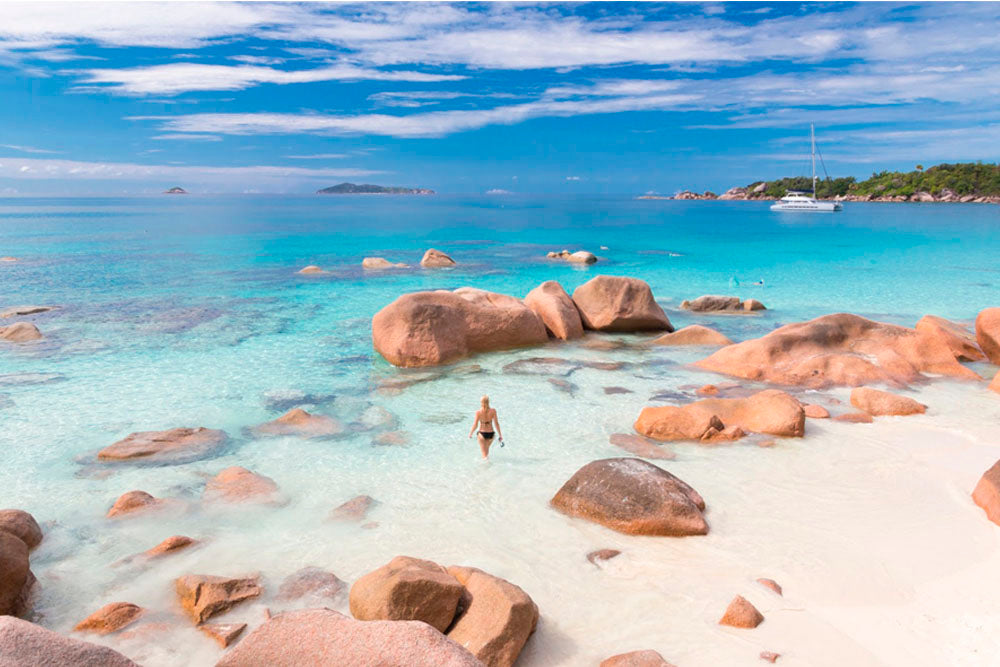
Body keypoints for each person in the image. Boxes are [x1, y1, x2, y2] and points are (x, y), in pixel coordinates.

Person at [468, 395, 503, 459]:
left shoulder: (478, 412)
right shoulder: (493, 411)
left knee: (484, 455)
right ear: (488, 402)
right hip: (491, 434)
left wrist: (470, 433)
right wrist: (500, 435)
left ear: (481, 402)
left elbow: (475, 425)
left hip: (482, 434)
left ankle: (485, 467)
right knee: (486, 452)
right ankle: (488, 467)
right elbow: (496, 424)